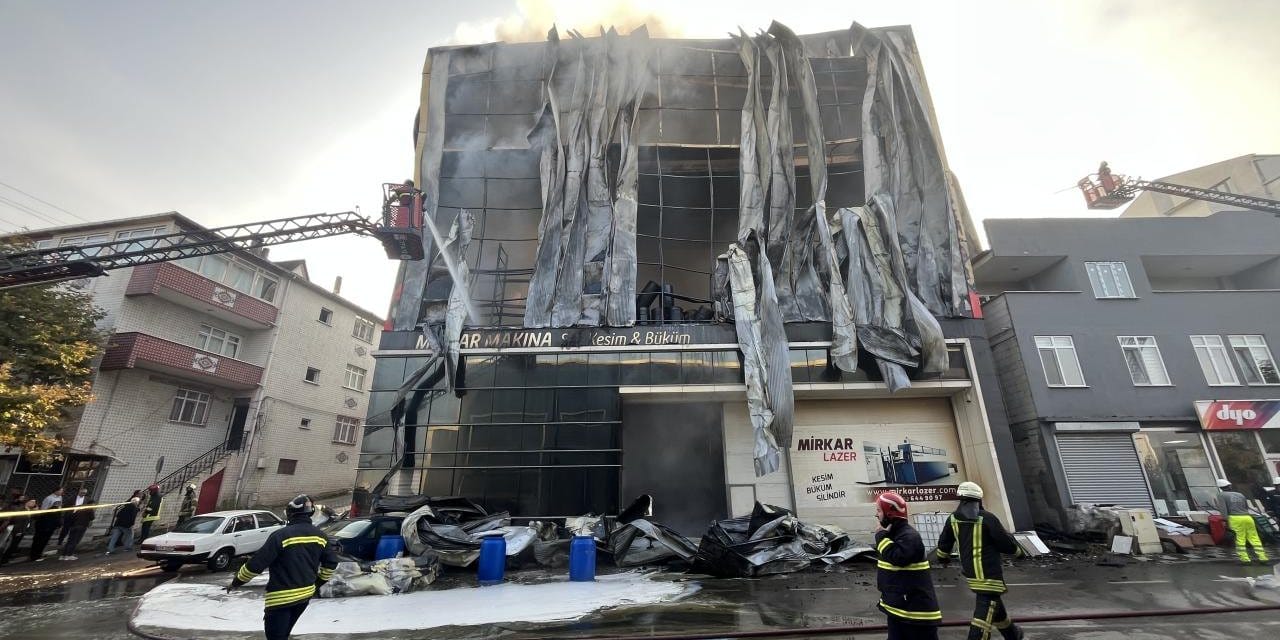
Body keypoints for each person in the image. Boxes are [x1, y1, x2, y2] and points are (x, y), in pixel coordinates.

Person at [228, 495, 340, 640]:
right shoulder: (320, 536)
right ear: (311, 513)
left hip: (280, 599)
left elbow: (255, 565)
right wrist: (317, 583)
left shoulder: (280, 535)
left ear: (289, 513)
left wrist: (236, 582)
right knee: (283, 634)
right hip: (304, 597)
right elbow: (331, 563)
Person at [936, 482, 1025, 640]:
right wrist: (1019, 552)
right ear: (979, 499)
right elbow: (1004, 543)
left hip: (971, 574)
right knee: (982, 618)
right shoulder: (987, 518)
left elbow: (944, 544)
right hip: (989, 576)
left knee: (995, 609)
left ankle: (1013, 634)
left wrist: (943, 558)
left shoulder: (952, 519)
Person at [873, 491, 941, 639]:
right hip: (898, 611)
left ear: (890, 513)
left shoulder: (909, 536)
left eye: (879, 510)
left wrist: (880, 536)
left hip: (916, 616)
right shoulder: (893, 535)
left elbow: (897, 557)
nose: (876, 515)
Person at [1217, 478, 1270, 565]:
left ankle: (1245, 559)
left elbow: (1223, 509)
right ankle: (1263, 557)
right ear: (1230, 486)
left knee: (1240, 539)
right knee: (1254, 538)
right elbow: (1246, 507)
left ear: (1220, 487)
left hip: (1235, 518)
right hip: (1247, 517)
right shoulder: (1240, 494)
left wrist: (1225, 521)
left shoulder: (1221, 495)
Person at [0, 500, 38, 565]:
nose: (33, 503)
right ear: (27, 502)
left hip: (22, 530)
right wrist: (19, 530)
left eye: (34, 502)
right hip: (17, 530)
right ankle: (3, 559)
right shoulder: (21, 509)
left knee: (13, 545)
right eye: (32, 502)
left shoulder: (30, 511)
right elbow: (18, 521)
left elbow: (34, 518)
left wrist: (36, 510)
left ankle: (5, 559)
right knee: (10, 544)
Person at [28, 497, 62, 562]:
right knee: (42, 543)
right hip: (48, 529)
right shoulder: (57, 512)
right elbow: (58, 521)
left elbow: (39, 519)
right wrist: (58, 526)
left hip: (40, 528)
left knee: (36, 542)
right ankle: (37, 556)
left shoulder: (47, 510)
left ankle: (33, 555)